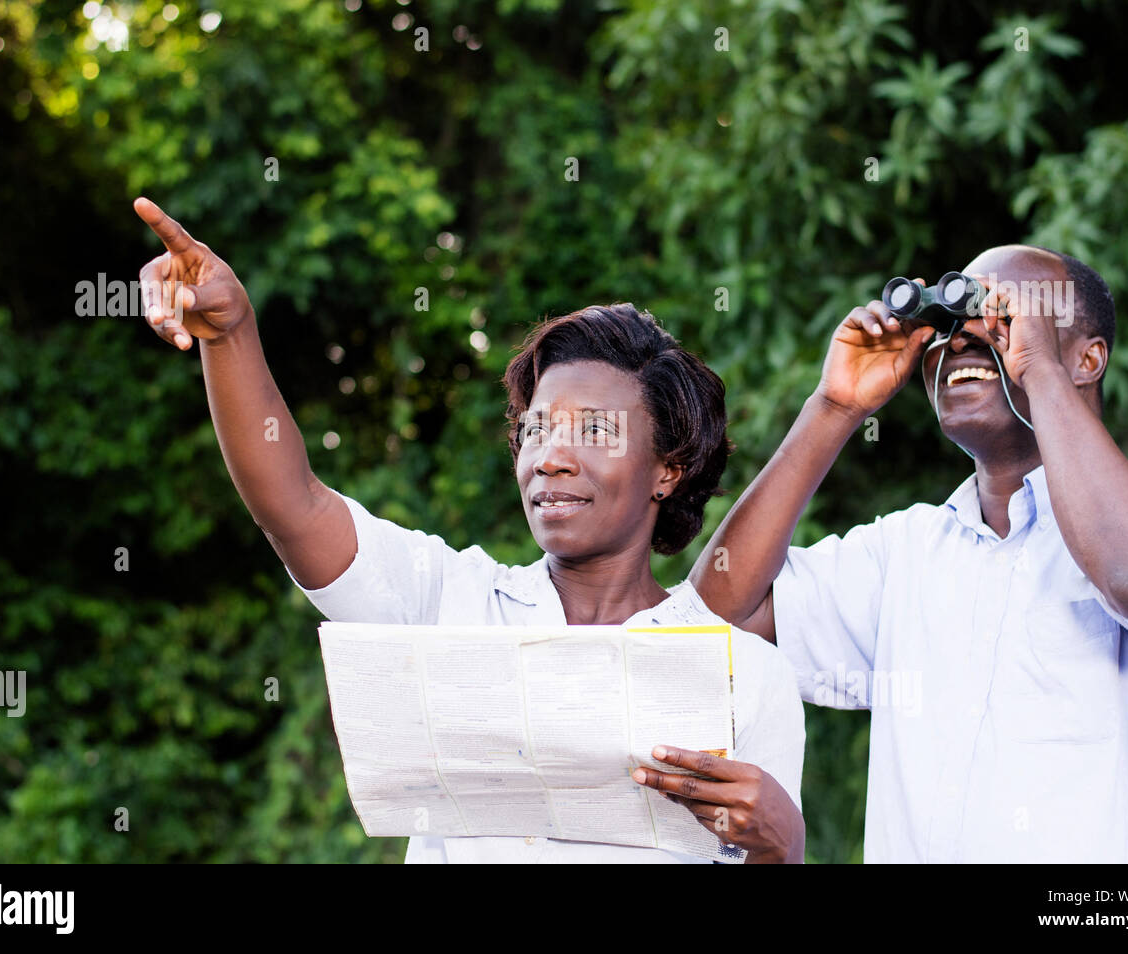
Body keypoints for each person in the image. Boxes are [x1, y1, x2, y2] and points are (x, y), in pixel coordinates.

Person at [131, 196, 806, 863]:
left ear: (668, 468)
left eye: (596, 430)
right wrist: (230, 334)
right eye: (536, 429)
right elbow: (293, 506)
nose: (551, 455)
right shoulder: (450, 604)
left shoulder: (742, 676)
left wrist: (784, 848)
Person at [691, 244, 1128, 863]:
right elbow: (714, 619)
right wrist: (835, 409)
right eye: (946, 326)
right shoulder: (903, 554)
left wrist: (1038, 370)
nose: (964, 341)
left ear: (1088, 358)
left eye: (1001, 316)